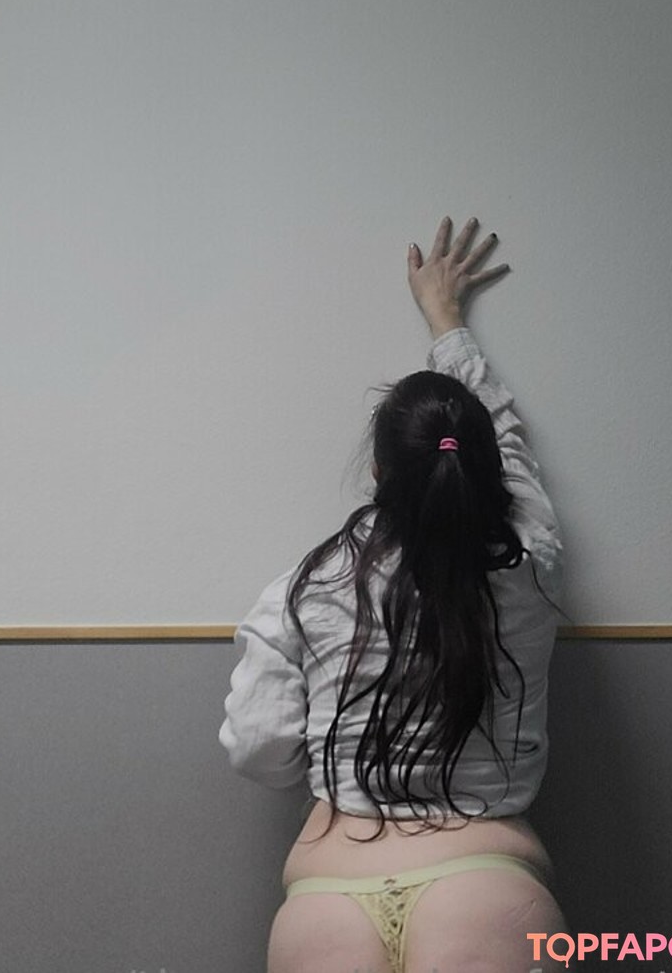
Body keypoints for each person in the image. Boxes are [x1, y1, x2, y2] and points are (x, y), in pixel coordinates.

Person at [220, 216, 568, 973]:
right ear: (482, 469)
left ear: (378, 474)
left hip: (327, 895)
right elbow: (507, 441)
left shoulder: (305, 589)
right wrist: (447, 323)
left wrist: (335, 762)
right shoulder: (531, 563)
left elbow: (256, 746)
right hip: (490, 888)